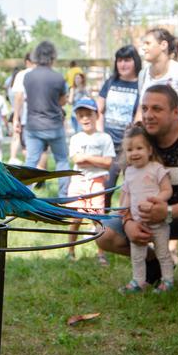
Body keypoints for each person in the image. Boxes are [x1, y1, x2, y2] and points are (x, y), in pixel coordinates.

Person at [96, 84, 178, 293]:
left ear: (176, 112)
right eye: (145, 108)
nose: (148, 115)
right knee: (103, 233)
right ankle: (154, 263)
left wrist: (168, 211)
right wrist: (128, 222)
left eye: (157, 109)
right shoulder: (138, 137)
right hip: (143, 216)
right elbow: (128, 188)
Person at [117, 125, 174, 293]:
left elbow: (167, 190)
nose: (134, 153)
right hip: (138, 223)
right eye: (129, 150)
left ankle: (168, 281)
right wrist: (123, 210)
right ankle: (138, 281)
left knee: (162, 253)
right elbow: (126, 194)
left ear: (149, 150)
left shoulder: (156, 168)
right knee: (137, 255)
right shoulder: (129, 172)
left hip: (158, 222)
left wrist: (157, 201)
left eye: (139, 148)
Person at [15, 41, 71, 196]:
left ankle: (25, 196)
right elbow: (62, 101)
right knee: (62, 161)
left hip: (33, 126)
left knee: (31, 162)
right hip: (54, 126)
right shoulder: (58, 78)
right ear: (53, 56)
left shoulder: (28, 77)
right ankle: (63, 196)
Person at [64, 97, 115, 263]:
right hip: (78, 181)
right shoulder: (76, 138)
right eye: (81, 115)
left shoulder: (105, 138)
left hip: (97, 181)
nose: (85, 118)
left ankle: (101, 253)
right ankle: (70, 251)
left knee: (97, 217)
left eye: (89, 114)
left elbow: (108, 162)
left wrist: (86, 157)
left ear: (97, 115)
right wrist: (96, 160)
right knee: (75, 217)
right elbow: (77, 160)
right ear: (77, 118)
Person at [97, 45, 142, 207]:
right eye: (120, 60)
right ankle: (102, 220)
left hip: (129, 145)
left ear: (135, 61)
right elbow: (99, 109)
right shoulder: (111, 82)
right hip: (108, 145)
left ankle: (128, 217)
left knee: (132, 187)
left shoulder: (141, 84)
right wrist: (101, 134)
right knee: (106, 187)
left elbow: (140, 114)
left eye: (127, 60)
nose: (123, 64)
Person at [6, 53, 33, 164]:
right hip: (43, 117)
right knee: (42, 150)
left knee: (26, 147)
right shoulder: (45, 74)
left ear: (27, 62)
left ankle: (31, 168)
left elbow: (18, 96)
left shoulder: (22, 75)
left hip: (25, 115)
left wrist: (16, 117)